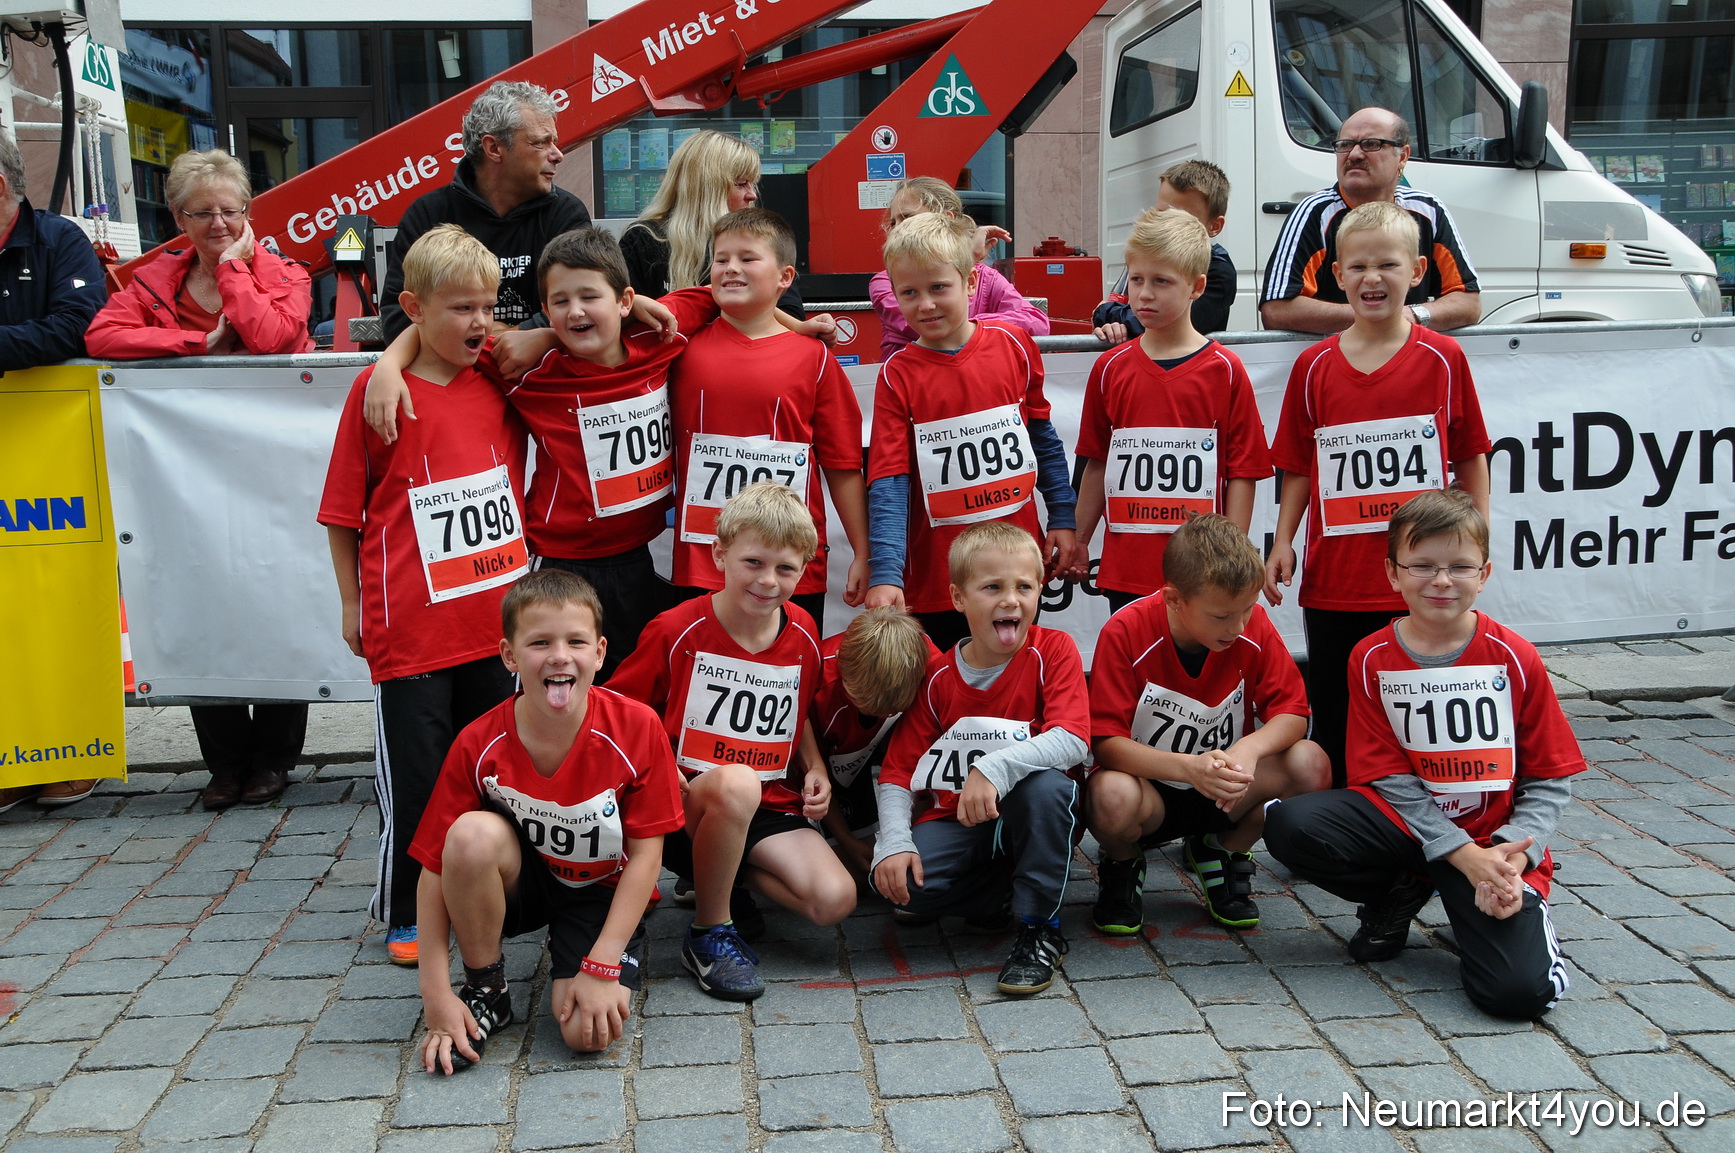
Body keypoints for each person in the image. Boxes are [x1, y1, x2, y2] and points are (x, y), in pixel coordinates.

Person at [1265, 491, 1578, 1019]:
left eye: (1460, 566)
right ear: (1393, 573)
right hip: (1415, 834)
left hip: (1494, 845)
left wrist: (1509, 859)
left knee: (1519, 996)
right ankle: (1401, 890)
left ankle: (1504, 912)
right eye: (1423, 566)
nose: (1441, 581)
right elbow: (1386, 777)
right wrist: (1459, 855)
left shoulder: (1516, 658)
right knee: (1290, 825)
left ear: (1484, 574)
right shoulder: (1369, 658)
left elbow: (1549, 778)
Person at [367, 227, 712, 679]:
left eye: (590, 296)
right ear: (546, 309)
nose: (576, 311)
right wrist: (387, 364)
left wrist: (640, 310)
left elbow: (722, 292)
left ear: (624, 300)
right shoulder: (528, 368)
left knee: (636, 686)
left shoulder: (659, 336)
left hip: (640, 554)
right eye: (560, 303)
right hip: (562, 560)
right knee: (564, 689)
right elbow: (433, 332)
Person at [318, 225, 528, 966]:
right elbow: (343, 511)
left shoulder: (496, 379)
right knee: (418, 775)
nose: (478, 321)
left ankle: (483, 891)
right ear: (412, 306)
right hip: (410, 627)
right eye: (459, 307)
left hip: (493, 623)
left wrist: (397, 347)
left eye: (488, 305)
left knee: (490, 770)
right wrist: (352, 604)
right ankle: (407, 905)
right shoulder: (379, 395)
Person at [86, 148, 314, 810]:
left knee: (275, 595)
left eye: (230, 210)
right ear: (178, 217)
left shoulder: (282, 272)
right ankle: (225, 761)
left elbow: (273, 337)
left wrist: (237, 272)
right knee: (196, 595)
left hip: (271, 465)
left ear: (249, 214)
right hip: (183, 475)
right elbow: (103, 334)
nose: (217, 222)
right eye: (202, 212)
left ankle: (274, 756)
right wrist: (195, 344)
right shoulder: (153, 279)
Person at [409, 569, 683, 1072]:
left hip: (601, 888)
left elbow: (648, 857)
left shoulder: (638, 727)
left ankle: (598, 950)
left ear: (599, 653)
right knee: (469, 836)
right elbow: (432, 870)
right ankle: (486, 987)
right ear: (510, 656)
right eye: (539, 642)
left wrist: (602, 964)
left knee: (586, 1036)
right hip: (524, 883)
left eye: (575, 641)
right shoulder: (477, 741)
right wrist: (435, 995)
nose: (559, 655)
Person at [1264, 201, 1491, 784]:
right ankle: (1344, 828)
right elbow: (1298, 467)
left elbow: (1469, 454)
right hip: (1336, 582)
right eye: (1358, 266)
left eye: (1387, 265)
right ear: (1336, 276)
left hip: (1420, 577)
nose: (1372, 278)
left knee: (1417, 710)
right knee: (1338, 719)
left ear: (1417, 272)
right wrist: (1283, 540)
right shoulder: (1313, 366)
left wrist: (1477, 539)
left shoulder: (1445, 358)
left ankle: (1420, 822)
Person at [611, 483, 855, 1002]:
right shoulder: (675, 628)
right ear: (719, 553)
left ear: (806, 569)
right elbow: (620, 712)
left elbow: (798, 711)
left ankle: (719, 875)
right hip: (685, 802)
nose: (768, 581)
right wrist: (660, 768)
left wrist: (814, 766)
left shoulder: (805, 630)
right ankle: (710, 932)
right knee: (737, 784)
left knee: (833, 901)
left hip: (766, 803)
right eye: (753, 562)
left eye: (785, 569)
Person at [872, 522, 1090, 995]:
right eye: (992, 587)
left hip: (1034, 810)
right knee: (905, 888)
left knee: (1046, 787)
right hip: (959, 819)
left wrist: (992, 767)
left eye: (1024, 587)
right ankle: (1001, 892)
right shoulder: (936, 677)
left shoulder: (1054, 651)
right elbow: (896, 773)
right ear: (958, 597)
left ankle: (1039, 928)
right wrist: (892, 842)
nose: (1010, 600)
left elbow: (1073, 739)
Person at [1085, 515, 1329, 935]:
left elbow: (1293, 712)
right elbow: (1106, 743)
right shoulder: (1125, 631)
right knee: (1108, 793)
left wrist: (1247, 750)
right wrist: (1188, 768)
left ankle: (1222, 850)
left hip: (1226, 787)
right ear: (1174, 599)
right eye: (1220, 617)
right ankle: (1123, 863)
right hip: (1153, 791)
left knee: (1311, 762)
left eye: (1246, 611)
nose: (1237, 628)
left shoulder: (1248, 625)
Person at [864, 212, 1077, 654]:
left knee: (1018, 680)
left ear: (971, 283)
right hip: (941, 578)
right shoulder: (896, 375)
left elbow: (1043, 440)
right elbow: (888, 480)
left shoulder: (1014, 345)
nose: (925, 305)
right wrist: (885, 573)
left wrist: (1062, 516)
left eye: (938, 287)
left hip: (1015, 567)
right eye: (909, 293)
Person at [668, 207, 868, 630]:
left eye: (748, 258)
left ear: (785, 277)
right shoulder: (680, 348)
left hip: (789, 567)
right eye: (720, 260)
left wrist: (863, 551)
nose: (731, 269)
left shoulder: (815, 359)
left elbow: (842, 464)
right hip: (706, 563)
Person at [1071, 208, 1271, 611]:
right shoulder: (1109, 368)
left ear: (1197, 287)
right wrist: (1078, 540)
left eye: (1161, 281)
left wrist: (1229, 554)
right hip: (1127, 569)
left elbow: (1243, 474)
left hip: (1202, 572)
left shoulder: (1225, 371)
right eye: (1137, 279)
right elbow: (1096, 462)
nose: (1144, 294)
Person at [0, 128, 108, 813]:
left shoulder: (58, 239)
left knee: (58, 593)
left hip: (50, 456)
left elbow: (76, 326)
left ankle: (64, 749)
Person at [378, 82, 590, 378]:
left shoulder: (566, 214)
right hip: (453, 388)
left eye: (553, 141)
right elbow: (397, 317)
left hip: (541, 385)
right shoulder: (428, 215)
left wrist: (519, 333)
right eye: (540, 143)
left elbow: (586, 306)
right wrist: (502, 340)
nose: (557, 154)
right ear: (493, 148)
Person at [1260, 107, 1480, 334]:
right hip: (1336, 360)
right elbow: (1277, 310)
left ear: (1402, 156)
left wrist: (1411, 315)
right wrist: (1378, 318)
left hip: (1408, 360)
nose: (1354, 154)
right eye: (1345, 145)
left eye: (1371, 144)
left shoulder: (1428, 210)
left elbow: (1468, 303)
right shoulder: (1314, 213)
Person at [810, 605, 936, 887]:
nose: (884, 716)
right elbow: (813, 770)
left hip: (897, 745)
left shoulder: (928, 661)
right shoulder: (817, 677)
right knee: (853, 871)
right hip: (834, 762)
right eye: (869, 707)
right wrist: (846, 840)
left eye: (892, 710)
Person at [620, 129, 803, 317]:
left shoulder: (761, 239)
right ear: (705, 189)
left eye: (747, 259)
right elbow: (622, 318)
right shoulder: (644, 240)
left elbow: (792, 315)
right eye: (741, 184)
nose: (752, 195)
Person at [869, 176, 1047, 361]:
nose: (898, 228)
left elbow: (1037, 323)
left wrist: (973, 326)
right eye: (893, 223)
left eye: (907, 218)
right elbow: (926, 326)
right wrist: (966, 259)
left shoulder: (987, 277)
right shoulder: (883, 281)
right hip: (912, 383)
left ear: (946, 220)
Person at [1093, 159, 1237, 342]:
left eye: (1182, 218)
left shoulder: (1218, 271)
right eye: (1161, 214)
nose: (1166, 225)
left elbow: (1152, 323)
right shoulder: (1147, 254)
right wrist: (1113, 325)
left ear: (1215, 225)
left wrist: (1106, 312)